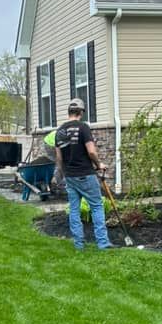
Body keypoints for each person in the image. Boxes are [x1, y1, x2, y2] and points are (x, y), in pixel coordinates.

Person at [54, 98, 113, 251]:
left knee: (74, 210)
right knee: (97, 207)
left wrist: (63, 173)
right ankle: (102, 243)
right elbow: (91, 151)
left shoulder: (59, 132)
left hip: (70, 176)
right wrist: (99, 164)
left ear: (69, 112)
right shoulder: (83, 127)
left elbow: (59, 158)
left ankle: (79, 244)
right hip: (85, 174)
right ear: (81, 112)